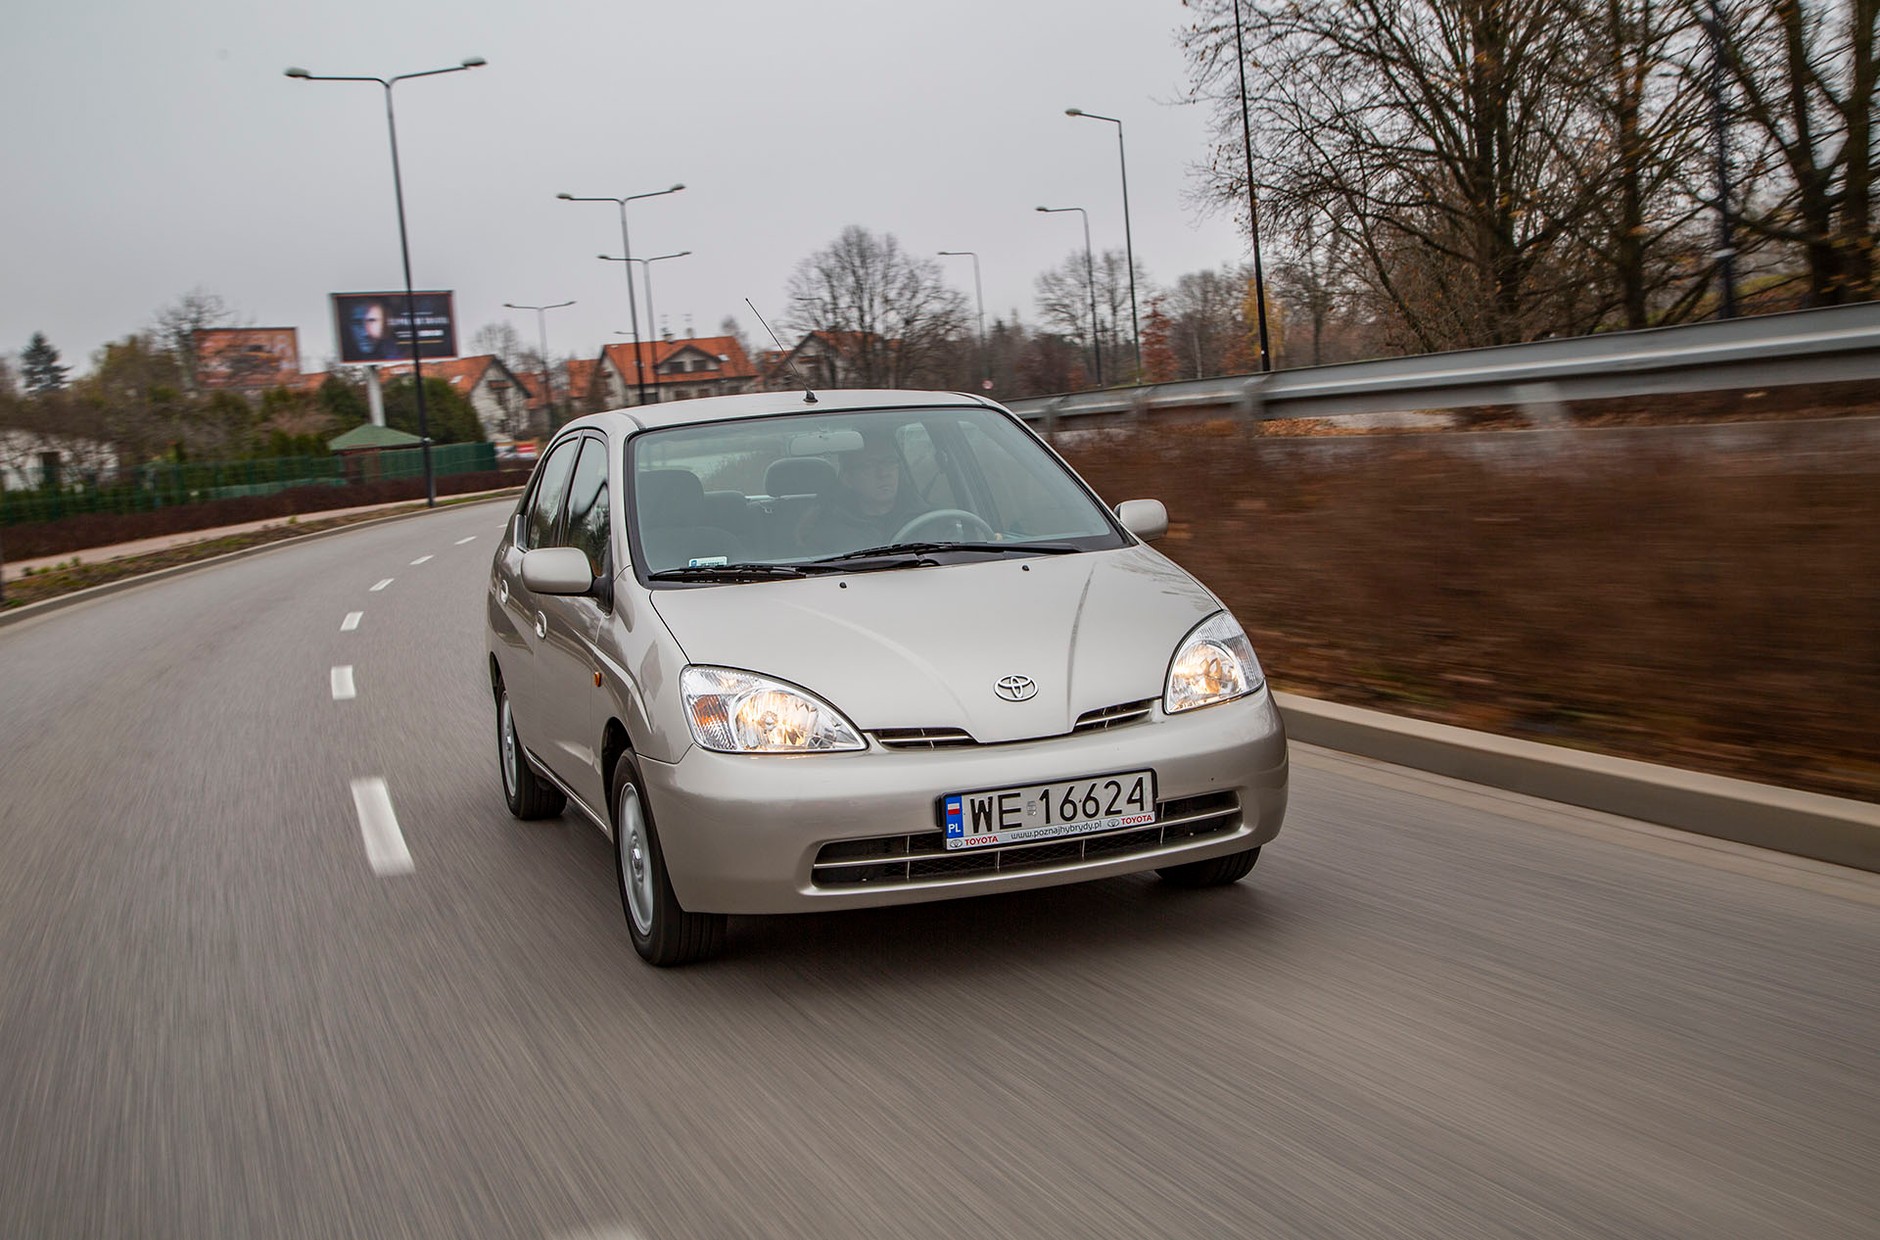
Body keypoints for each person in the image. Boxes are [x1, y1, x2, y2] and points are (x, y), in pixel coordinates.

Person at [797, 431, 925, 553]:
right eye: (869, 465)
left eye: (890, 462)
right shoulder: (826, 532)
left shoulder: (924, 517)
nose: (884, 473)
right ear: (848, 479)